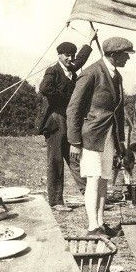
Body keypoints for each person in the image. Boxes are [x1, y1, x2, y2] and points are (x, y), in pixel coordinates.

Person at [67, 37, 134, 237]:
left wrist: (120, 140)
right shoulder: (91, 73)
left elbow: (118, 111)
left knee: (104, 179)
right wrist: (74, 142)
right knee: (94, 179)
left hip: (109, 136)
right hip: (91, 136)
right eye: (126, 55)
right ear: (114, 55)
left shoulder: (117, 76)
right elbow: (73, 109)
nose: (128, 59)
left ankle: (101, 223)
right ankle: (92, 227)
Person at [37, 32, 96, 211]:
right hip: (55, 121)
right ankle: (55, 202)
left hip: (68, 121)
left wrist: (90, 41)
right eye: (67, 55)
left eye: (72, 55)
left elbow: (80, 60)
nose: (70, 58)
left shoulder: (71, 68)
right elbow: (44, 88)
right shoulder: (53, 70)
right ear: (59, 55)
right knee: (55, 161)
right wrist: (67, 100)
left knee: (74, 157)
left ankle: (89, 196)